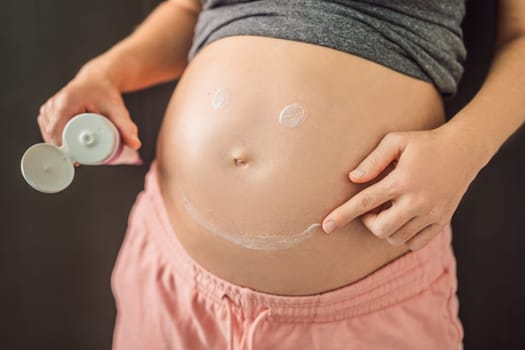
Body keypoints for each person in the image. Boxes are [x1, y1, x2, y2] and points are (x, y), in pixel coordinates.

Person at [36, 0, 524, 349]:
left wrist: (464, 150)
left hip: (359, 314)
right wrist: (107, 71)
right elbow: (190, 10)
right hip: (175, 286)